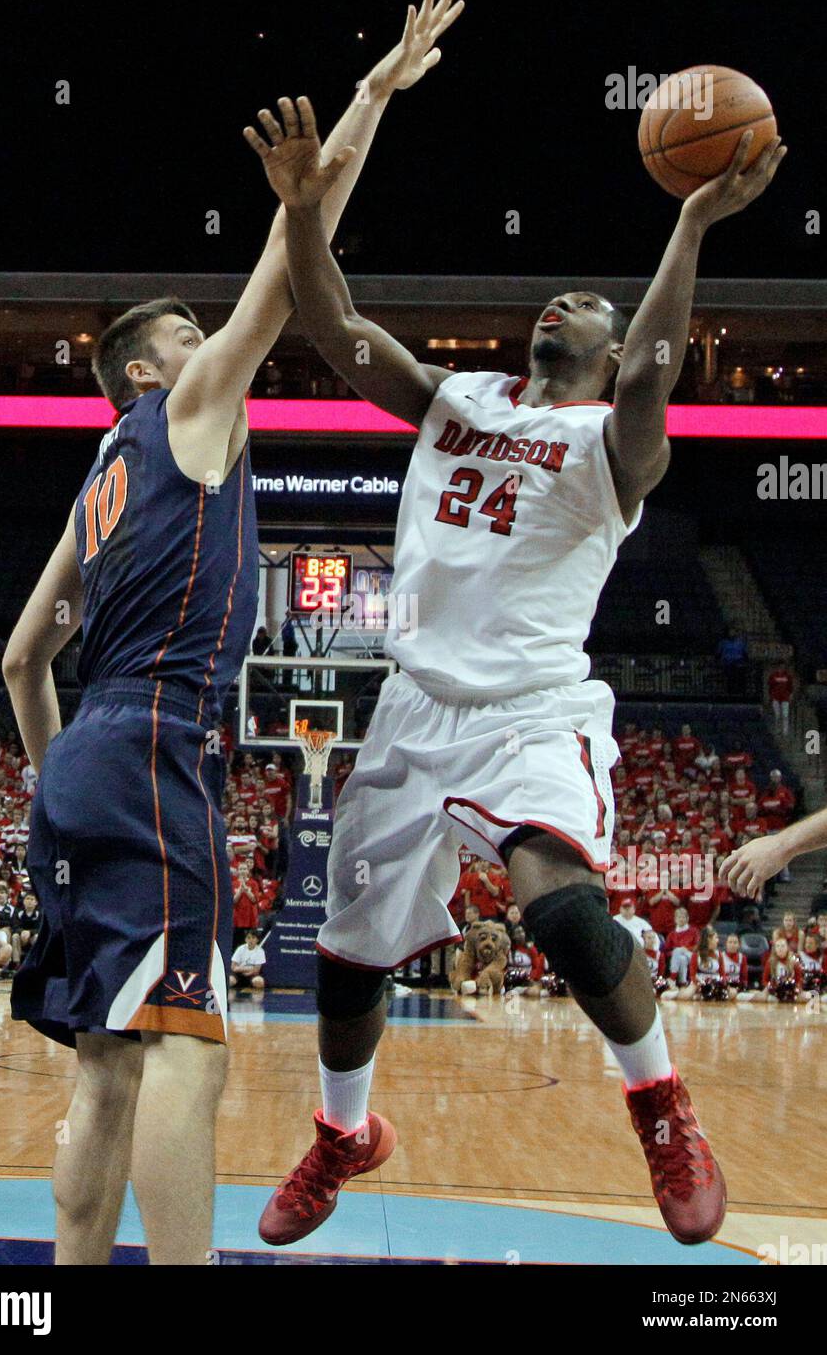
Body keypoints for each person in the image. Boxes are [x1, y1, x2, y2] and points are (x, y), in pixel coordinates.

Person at [249, 84, 783, 1247]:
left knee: (560, 900)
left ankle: (660, 1103)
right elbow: (332, 321)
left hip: (530, 710)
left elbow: (651, 371)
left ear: (605, 345)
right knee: (347, 958)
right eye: (561, 295)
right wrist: (301, 211)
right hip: (410, 706)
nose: (566, 301)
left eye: (589, 301)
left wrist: (690, 224)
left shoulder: (613, 445)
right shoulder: (458, 399)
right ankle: (344, 1133)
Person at [0, 0, 464, 1267]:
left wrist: (62, 786)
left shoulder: (94, 481)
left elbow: (20, 655)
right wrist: (367, 107)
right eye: (190, 340)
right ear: (150, 370)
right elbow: (286, 267)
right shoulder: (183, 411)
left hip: (87, 752)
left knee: (105, 1058)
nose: (217, 349)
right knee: (186, 1052)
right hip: (155, 749)